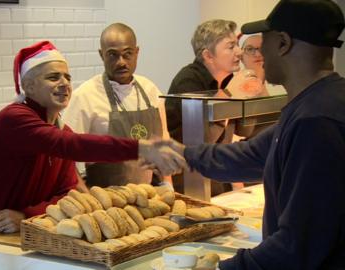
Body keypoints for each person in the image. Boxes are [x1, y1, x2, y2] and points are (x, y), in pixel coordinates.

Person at [171, 0, 345, 269]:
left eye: (264, 38)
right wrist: (181, 154)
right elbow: (250, 156)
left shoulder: (316, 121)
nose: (256, 51)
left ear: (283, 43)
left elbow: (296, 246)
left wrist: (225, 267)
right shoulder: (313, 103)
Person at [0, 41, 185, 239]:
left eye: (67, 77)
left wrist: (27, 215)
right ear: (28, 86)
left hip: (23, 232)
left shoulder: (61, 128)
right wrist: (141, 148)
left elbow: (66, 193)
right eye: (53, 77)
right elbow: (71, 145)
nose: (65, 83)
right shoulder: (15, 118)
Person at [62, 23, 173, 188]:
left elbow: (163, 139)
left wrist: (167, 184)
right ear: (101, 55)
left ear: (137, 52)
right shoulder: (85, 96)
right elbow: (65, 156)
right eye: (112, 55)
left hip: (148, 195)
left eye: (127, 54)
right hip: (104, 199)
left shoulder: (151, 90)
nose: (121, 62)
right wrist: (86, 196)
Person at [165, 19, 253, 195]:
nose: (239, 52)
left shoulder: (229, 79)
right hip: (188, 182)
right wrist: (228, 96)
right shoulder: (188, 81)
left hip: (217, 176)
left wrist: (248, 94)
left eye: (237, 45)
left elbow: (245, 131)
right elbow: (201, 142)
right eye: (230, 47)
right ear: (208, 56)